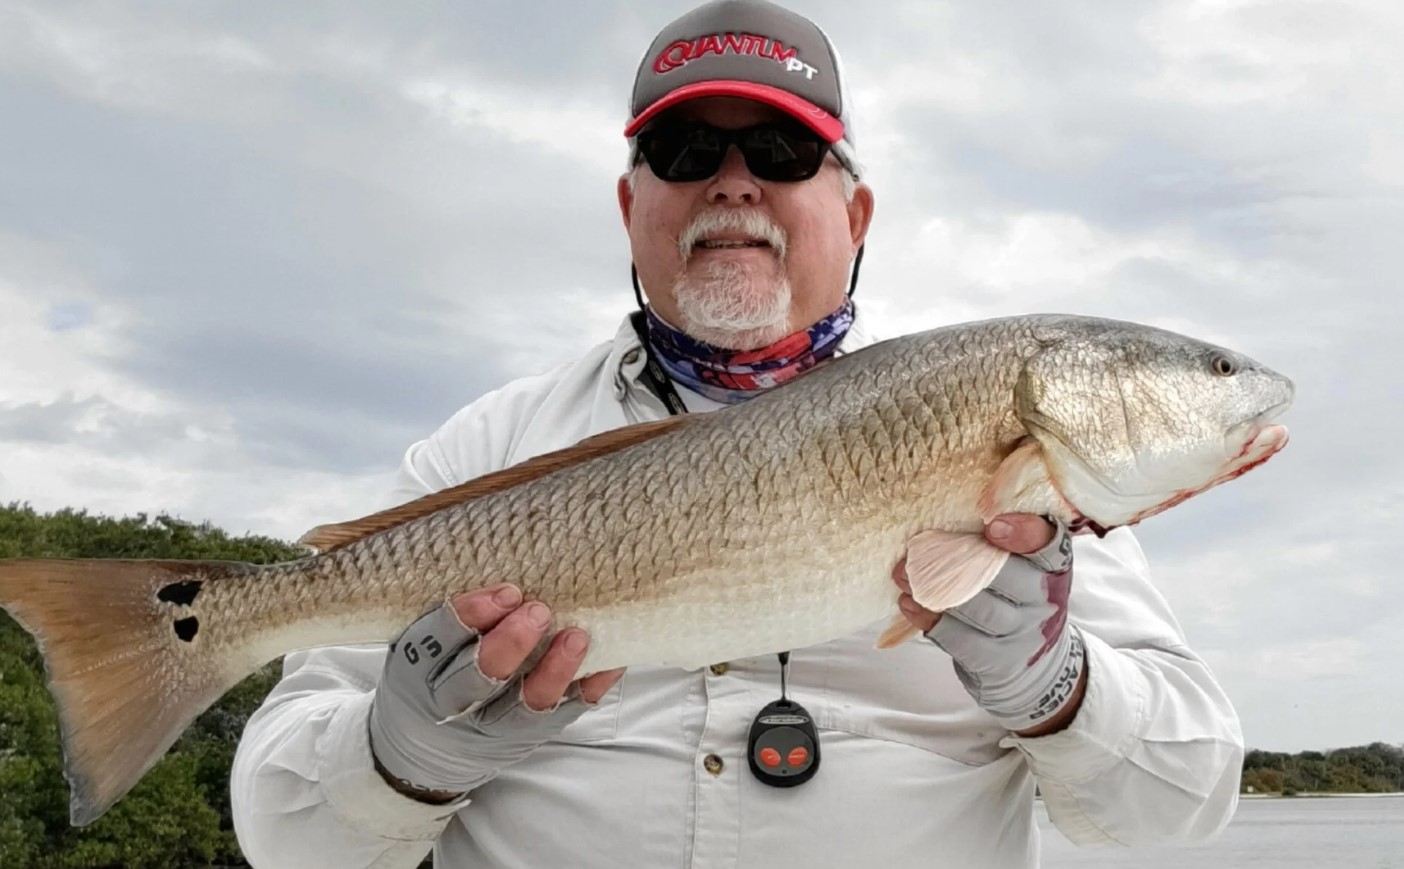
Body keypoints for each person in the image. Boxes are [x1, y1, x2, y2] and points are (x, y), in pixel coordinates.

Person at [231, 2, 1245, 866]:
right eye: (682, 152)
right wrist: (398, 759)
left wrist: (1057, 684)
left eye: (780, 150)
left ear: (857, 214)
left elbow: (1179, 806)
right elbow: (284, 835)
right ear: (633, 208)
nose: (731, 179)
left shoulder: (1015, 449)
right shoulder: (490, 442)